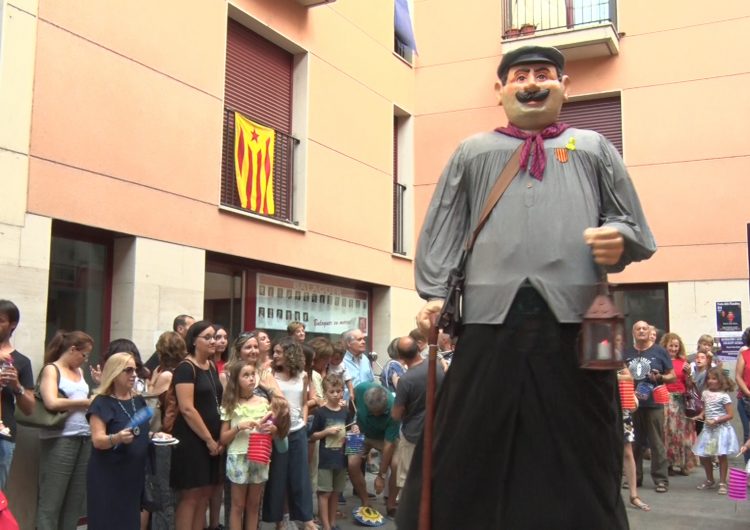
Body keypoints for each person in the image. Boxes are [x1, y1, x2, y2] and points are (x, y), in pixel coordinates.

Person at [398, 45, 656, 530]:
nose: (532, 83)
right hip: (489, 318)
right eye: (520, 76)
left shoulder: (594, 147)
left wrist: (617, 240)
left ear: (565, 87)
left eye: (544, 74)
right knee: (468, 435)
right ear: (501, 91)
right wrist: (434, 293)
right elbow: (445, 228)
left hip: (575, 320)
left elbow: (634, 227)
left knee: (583, 438)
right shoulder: (472, 151)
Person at [86, 352, 152, 529]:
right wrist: (116, 438)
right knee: (107, 521)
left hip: (133, 474)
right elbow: (98, 440)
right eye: (128, 370)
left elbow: (142, 429)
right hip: (108, 474)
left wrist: (154, 436)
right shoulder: (101, 402)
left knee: (129, 522)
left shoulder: (138, 400)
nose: (134, 374)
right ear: (115, 373)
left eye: (135, 370)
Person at [36, 330, 94, 530]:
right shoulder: (52, 369)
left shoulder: (79, 372)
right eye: (84, 355)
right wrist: (86, 402)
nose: (85, 360)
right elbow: (51, 402)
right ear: (72, 349)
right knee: (52, 500)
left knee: (74, 502)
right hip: (59, 438)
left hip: (84, 437)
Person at [171, 321, 224, 530]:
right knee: (191, 495)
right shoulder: (186, 368)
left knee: (205, 493)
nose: (214, 341)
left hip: (213, 438)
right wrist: (209, 440)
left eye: (215, 337)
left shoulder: (210, 366)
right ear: (194, 341)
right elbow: (187, 409)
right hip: (193, 439)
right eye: (208, 337)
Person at [262, 337, 317, 530]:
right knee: (278, 476)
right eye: (274, 351)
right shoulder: (270, 375)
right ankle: (280, 520)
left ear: (290, 354)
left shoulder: (302, 375)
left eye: (279, 352)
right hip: (278, 431)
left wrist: (302, 421)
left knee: (300, 475)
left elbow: (303, 402)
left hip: (298, 429)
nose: (275, 355)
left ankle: (306, 518)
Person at [219, 361, 276, 530]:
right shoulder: (230, 404)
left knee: (254, 505)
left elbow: (272, 432)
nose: (251, 378)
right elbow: (223, 439)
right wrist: (238, 427)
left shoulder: (264, 402)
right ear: (236, 380)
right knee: (237, 506)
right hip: (238, 455)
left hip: (260, 455)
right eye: (246, 375)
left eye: (253, 374)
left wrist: (272, 429)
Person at [391, 336, 444, 499]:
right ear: (418, 349)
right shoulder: (437, 365)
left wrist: (396, 384)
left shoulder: (405, 380)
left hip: (413, 433)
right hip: (437, 429)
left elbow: (396, 414)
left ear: (400, 357)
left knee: (408, 480)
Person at [625, 321, 675, 493]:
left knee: (656, 443)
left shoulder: (660, 351)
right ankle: (634, 478)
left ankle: (661, 480)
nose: (641, 331)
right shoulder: (627, 352)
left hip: (654, 403)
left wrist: (660, 377)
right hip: (632, 404)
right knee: (634, 443)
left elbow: (672, 376)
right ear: (633, 332)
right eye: (637, 328)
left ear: (649, 332)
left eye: (644, 329)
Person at [145, 331, 187, 530]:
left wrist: (151, 383)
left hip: (164, 435)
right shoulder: (183, 370)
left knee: (163, 492)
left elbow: (151, 402)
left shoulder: (166, 374)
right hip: (179, 434)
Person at [349, 382, 399, 519]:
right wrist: (353, 422)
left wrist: (381, 476)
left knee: (396, 464)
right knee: (352, 463)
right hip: (360, 433)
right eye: (372, 413)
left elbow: (389, 445)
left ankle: (391, 504)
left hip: (384, 439)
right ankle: (365, 501)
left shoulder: (394, 408)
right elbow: (351, 403)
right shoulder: (360, 389)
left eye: (379, 413)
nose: (375, 416)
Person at [309, 374, 353, 530]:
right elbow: (312, 436)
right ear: (325, 393)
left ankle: (333, 522)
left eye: (339, 391)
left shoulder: (346, 411)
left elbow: (349, 431)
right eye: (332, 391)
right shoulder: (320, 413)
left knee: (336, 492)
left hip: (341, 457)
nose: (336, 395)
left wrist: (354, 429)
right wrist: (326, 432)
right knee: (325, 493)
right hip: (325, 459)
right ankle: (326, 525)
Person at [0, 300, 33, 490]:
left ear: (12, 325)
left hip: (3, 434)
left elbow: (29, 408)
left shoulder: (21, 361)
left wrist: (17, 386)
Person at [693, 368, 739, 495]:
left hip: (721, 430)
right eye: (709, 378)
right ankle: (710, 479)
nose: (710, 381)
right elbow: (705, 408)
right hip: (708, 430)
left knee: (721, 455)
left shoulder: (724, 396)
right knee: (704, 455)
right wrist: (701, 415)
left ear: (721, 381)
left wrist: (716, 420)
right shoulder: (705, 393)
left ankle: (723, 482)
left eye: (714, 378)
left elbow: (730, 415)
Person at [660, 332, 695, 475]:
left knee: (683, 433)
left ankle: (683, 464)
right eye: (671, 346)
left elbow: (690, 385)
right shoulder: (661, 361)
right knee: (669, 432)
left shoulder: (684, 362)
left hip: (682, 400)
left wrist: (689, 374)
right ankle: (668, 464)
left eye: (676, 346)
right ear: (665, 346)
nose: (674, 349)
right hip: (666, 399)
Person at [618, 369, 650, 511]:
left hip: (623, 414)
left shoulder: (620, 365)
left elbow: (629, 378)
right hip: (603, 413)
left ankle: (633, 495)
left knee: (628, 453)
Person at [341, 329, 373, 402]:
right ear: (349, 343)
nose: (364, 342)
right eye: (359, 340)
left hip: (367, 403)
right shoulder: (341, 361)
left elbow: (371, 381)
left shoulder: (365, 359)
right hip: (349, 405)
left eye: (363, 339)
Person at [733, 327, 750, 463]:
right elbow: (738, 377)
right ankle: (749, 469)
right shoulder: (745, 354)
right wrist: (748, 393)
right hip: (745, 400)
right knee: (748, 434)